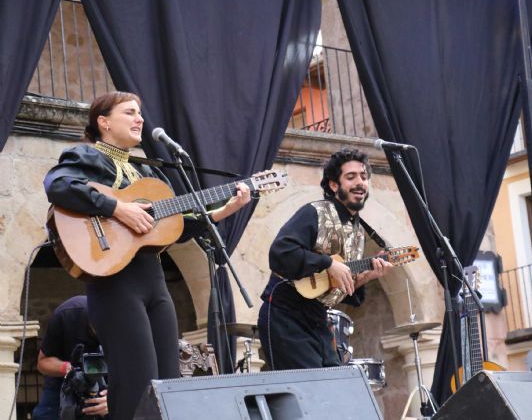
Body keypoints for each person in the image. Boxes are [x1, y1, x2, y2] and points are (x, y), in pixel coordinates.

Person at [43, 91, 251, 419]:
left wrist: (227, 208)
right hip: (114, 282)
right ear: (104, 122)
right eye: (129, 112)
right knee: (136, 381)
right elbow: (58, 185)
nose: (139, 118)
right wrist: (117, 208)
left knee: (167, 381)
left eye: (140, 112)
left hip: (153, 283)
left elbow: (176, 228)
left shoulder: (147, 175)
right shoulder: (87, 156)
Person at [257, 148, 393, 370]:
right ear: (333, 185)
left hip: (318, 319)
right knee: (309, 390)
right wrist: (329, 263)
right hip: (285, 314)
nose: (360, 182)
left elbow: (337, 287)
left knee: (333, 385)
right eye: (351, 177)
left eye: (364, 176)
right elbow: (281, 252)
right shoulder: (314, 212)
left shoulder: (358, 231)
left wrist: (367, 275)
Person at [32, 295, 107, 419]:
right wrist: (68, 369)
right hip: (64, 381)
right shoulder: (66, 314)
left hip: (110, 383)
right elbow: (42, 362)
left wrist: (114, 399)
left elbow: (136, 374)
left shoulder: (126, 323)